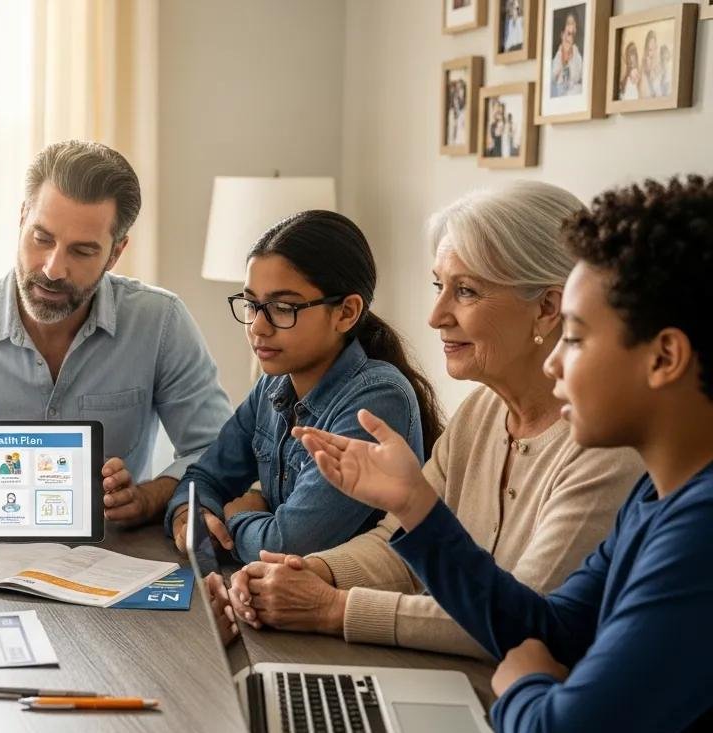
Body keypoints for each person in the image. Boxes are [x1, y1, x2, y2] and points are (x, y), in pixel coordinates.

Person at [292, 175, 713, 733]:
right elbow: (544, 627)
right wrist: (414, 505)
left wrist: (521, 682)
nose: (557, 363)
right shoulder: (655, 497)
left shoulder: (699, 532)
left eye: (576, 338)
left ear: (664, 357)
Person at [224, 182, 644, 659]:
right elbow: (402, 543)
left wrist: (333, 608)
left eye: (465, 291)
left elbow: (524, 621)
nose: (436, 316)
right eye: (438, 286)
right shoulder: (482, 412)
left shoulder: (606, 447)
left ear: (547, 308)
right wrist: (308, 573)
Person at [0, 140, 231, 528]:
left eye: (81, 251)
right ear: (22, 217)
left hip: (111, 551)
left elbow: (217, 451)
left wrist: (149, 498)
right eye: (42, 239)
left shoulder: (160, 322)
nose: (52, 269)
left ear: (115, 253)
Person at [167, 210, 440, 563]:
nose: (258, 327)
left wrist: (235, 517)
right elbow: (203, 477)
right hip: (276, 591)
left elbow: (290, 545)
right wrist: (192, 515)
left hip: (353, 596)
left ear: (346, 312)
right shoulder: (272, 385)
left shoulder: (376, 399)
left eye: (282, 307)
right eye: (251, 304)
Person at [550, 11, 584, 98]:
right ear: (562, 34)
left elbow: (579, 78)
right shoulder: (557, 55)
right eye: (568, 23)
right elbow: (552, 79)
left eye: (573, 24)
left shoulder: (578, 54)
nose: (571, 27)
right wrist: (564, 59)